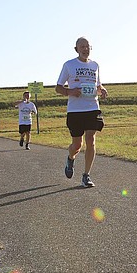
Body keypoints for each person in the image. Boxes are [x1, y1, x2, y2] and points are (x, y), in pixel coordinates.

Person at [55, 37, 108, 188]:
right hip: (75, 110)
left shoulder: (95, 65)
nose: (85, 49)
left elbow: (98, 85)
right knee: (77, 145)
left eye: (87, 46)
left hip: (92, 107)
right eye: (82, 47)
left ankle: (86, 175)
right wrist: (70, 91)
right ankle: (70, 158)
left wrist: (102, 90)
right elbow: (58, 88)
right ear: (76, 49)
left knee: (91, 140)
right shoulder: (69, 65)